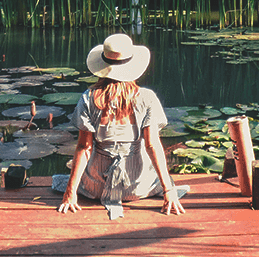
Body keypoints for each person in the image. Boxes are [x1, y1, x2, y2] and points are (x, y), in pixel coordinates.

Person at [54, 33, 187, 220]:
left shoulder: (88, 98)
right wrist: (169, 190)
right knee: (154, 171)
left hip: (97, 188)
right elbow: (152, 146)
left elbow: (84, 148)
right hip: (137, 187)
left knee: (63, 178)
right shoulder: (147, 98)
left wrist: (70, 193)